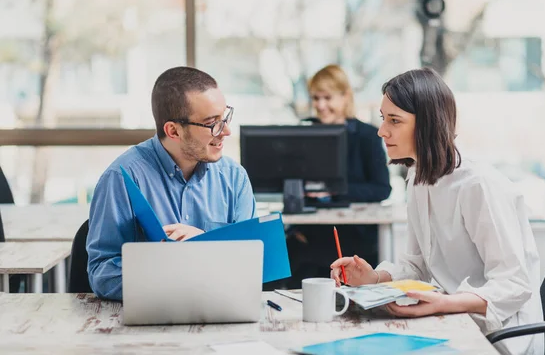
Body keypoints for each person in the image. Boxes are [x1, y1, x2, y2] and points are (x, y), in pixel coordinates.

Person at [331, 68, 543, 355]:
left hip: (498, 336)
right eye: (384, 118)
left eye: (395, 120)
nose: (382, 130)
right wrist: (373, 278)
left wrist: (443, 303)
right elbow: (418, 266)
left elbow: (515, 284)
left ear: (427, 125)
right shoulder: (417, 177)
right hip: (453, 321)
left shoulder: (477, 184)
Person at [87, 67, 256, 300]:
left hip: (222, 312)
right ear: (173, 131)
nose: (225, 131)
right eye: (212, 123)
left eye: (225, 117)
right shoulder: (121, 179)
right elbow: (102, 273)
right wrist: (172, 273)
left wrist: (205, 243)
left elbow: (251, 263)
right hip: (151, 318)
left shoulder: (234, 178)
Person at [282, 65, 391, 289]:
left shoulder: (367, 136)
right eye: (316, 98)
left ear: (345, 97)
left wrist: (335, 189)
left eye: (328, 97)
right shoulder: (304, 133)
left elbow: (382, 189)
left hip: (353, 236)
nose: (321, 105)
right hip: (309, 233)